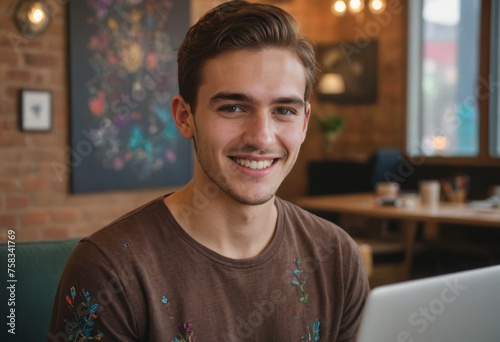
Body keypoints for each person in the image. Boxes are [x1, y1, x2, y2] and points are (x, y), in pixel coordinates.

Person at [48, 1, 369, 341]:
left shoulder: (337, 256)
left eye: (284, 110)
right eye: (233, 107)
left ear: (304, 122)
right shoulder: (108, 272)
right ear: (184, 117)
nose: (261, 136)